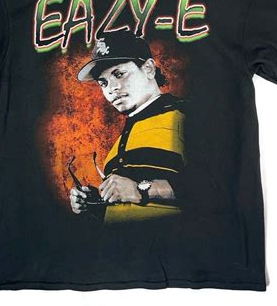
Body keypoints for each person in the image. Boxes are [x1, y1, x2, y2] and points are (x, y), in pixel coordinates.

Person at [69, 30, 189, 223]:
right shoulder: (116, 147)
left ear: (148, 68)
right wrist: (94, 202)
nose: (111, 88)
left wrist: (140, 189)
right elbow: (130, 209)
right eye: (103, 82)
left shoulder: (187, 113)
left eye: (119, 74)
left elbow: (218, 186)